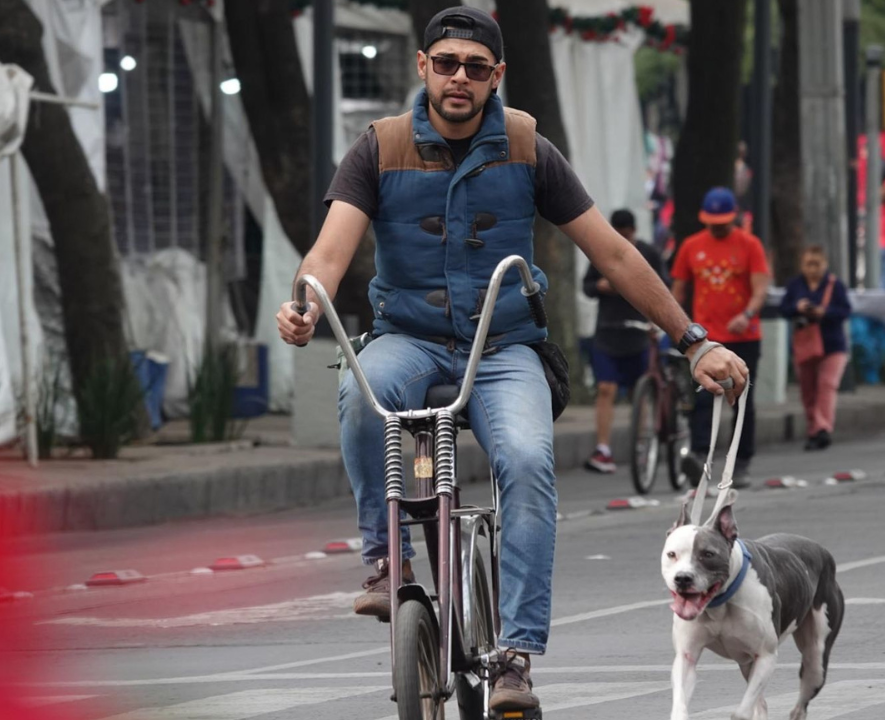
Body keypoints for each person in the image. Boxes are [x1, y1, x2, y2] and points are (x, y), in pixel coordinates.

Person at [272, 9, 749, 714]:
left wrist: (693, 340)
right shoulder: (380, 146)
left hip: (505, 347)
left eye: (474, 66)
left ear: (496, 76)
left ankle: (515, 657)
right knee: (361, 393)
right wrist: (307, 305)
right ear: (423, 68)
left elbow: (614, 254)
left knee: (527, 462)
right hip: (409, 337)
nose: (458, 77)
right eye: (445, 63)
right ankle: (384, 558)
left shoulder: (527, 146)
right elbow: (330, 251)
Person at [672, 187, 771, 489]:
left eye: (723, 222)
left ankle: (740, 462)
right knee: (704, 397)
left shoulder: (749, 245)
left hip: (744, 336)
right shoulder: (691, 246)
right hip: (705, 340)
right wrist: (677, 325)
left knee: (742, 399)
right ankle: (701, 456)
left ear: (734, 218)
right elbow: (678, 290)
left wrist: (748, 313)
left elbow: (760, 287)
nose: (717, 227)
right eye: (712, 222)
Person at [581, 209, 666, 474]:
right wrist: (602, 286)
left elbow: (663, 286)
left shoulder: (648, 253)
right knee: (605, 388)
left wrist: (657, 321)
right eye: (617, 233)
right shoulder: (600, 251)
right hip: (608, 331)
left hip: (638, 331)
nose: (621, 238)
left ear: (633, 231)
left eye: (626, 234)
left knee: (637, 392)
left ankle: (641, 441)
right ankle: (603, 448)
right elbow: (587, 286)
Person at [780, 245, 852, 451]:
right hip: (805, 344)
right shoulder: (795, 285)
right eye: (808, 264)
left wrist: (823, 312)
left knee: (827, 385)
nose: (812, 269)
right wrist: (797, 308)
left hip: (832, 344)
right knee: (808, 389)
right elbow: (784, 309)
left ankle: (823, 428)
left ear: (824, 264)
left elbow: (845, 310)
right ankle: (814, 429)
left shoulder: (835, 285)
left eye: (816, 264)